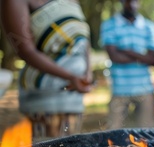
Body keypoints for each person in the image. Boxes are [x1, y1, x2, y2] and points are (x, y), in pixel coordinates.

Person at [0, 0, 92, 139]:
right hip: (44, 98)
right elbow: (26, 51)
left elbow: (83, 41)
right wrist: (71, 77)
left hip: (74, 96)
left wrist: (88, 74)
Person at [100, 0, 154, 129]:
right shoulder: (109, 25)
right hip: (119, 88)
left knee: (147, 132)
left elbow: (152, 59)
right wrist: (141, 56)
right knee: (114, 133)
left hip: (145, 89)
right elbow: (114, 57)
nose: (132, 4)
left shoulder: (149, 26)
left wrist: (125, 50)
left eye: (135, 1)